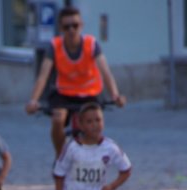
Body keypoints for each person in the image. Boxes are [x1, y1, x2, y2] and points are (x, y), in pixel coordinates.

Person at [25, 7, 126, 156]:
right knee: (58, 118)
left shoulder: (91, 44)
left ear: (81, 26)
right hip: (64, 93)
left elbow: (106, 72)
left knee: (93, 123)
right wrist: (33, 101)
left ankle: (95, 155)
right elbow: (43, 76)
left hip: (90, 93)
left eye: (75, 25)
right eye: (67, 27)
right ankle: (60, 157)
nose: (71, 30)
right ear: (61, 28)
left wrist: (115, 96)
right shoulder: (55, 46)